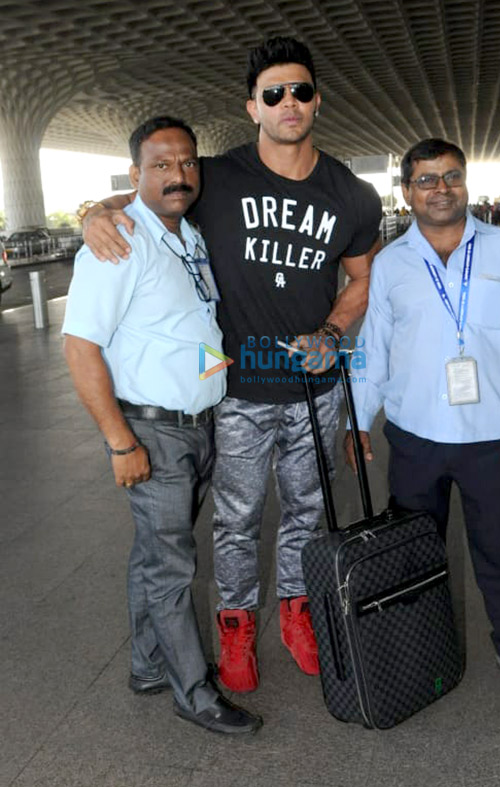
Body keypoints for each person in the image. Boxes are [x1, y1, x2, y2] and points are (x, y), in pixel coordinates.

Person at [81, 37, 382, 694]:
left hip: (314, 390)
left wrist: (334, 327)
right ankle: (236, 623)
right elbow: (148, 192)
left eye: (300, 90)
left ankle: (298, 612)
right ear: (252, 106)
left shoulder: (352, 194)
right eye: (273, 93)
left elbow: (363, 277)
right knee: (236, 515)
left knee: (308, 507)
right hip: (236, 386)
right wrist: (91, 214)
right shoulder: (215, 175)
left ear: (316, 99)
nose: (288, 102)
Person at [63, 116, 261, 734]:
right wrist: (122, 442)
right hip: (152, 430)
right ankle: (193, 692)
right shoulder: (118, 242)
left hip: (198, 425)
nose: (177, 176)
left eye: (186, 163)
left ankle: (150, 663)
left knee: (155, 552)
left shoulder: (185, 235)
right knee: (174, 562)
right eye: (160, 165)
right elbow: (80, 347)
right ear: (135, 174)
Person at [346, 138, 500, 702]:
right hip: (415, 436)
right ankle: (415, 647)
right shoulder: (390, 264)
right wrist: (358, 420)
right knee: (415, 551)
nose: (441, 189)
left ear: (465, 182)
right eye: (427, 180)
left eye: (451, 177)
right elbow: (374, 348)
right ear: (407, 192)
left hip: (493, 437)